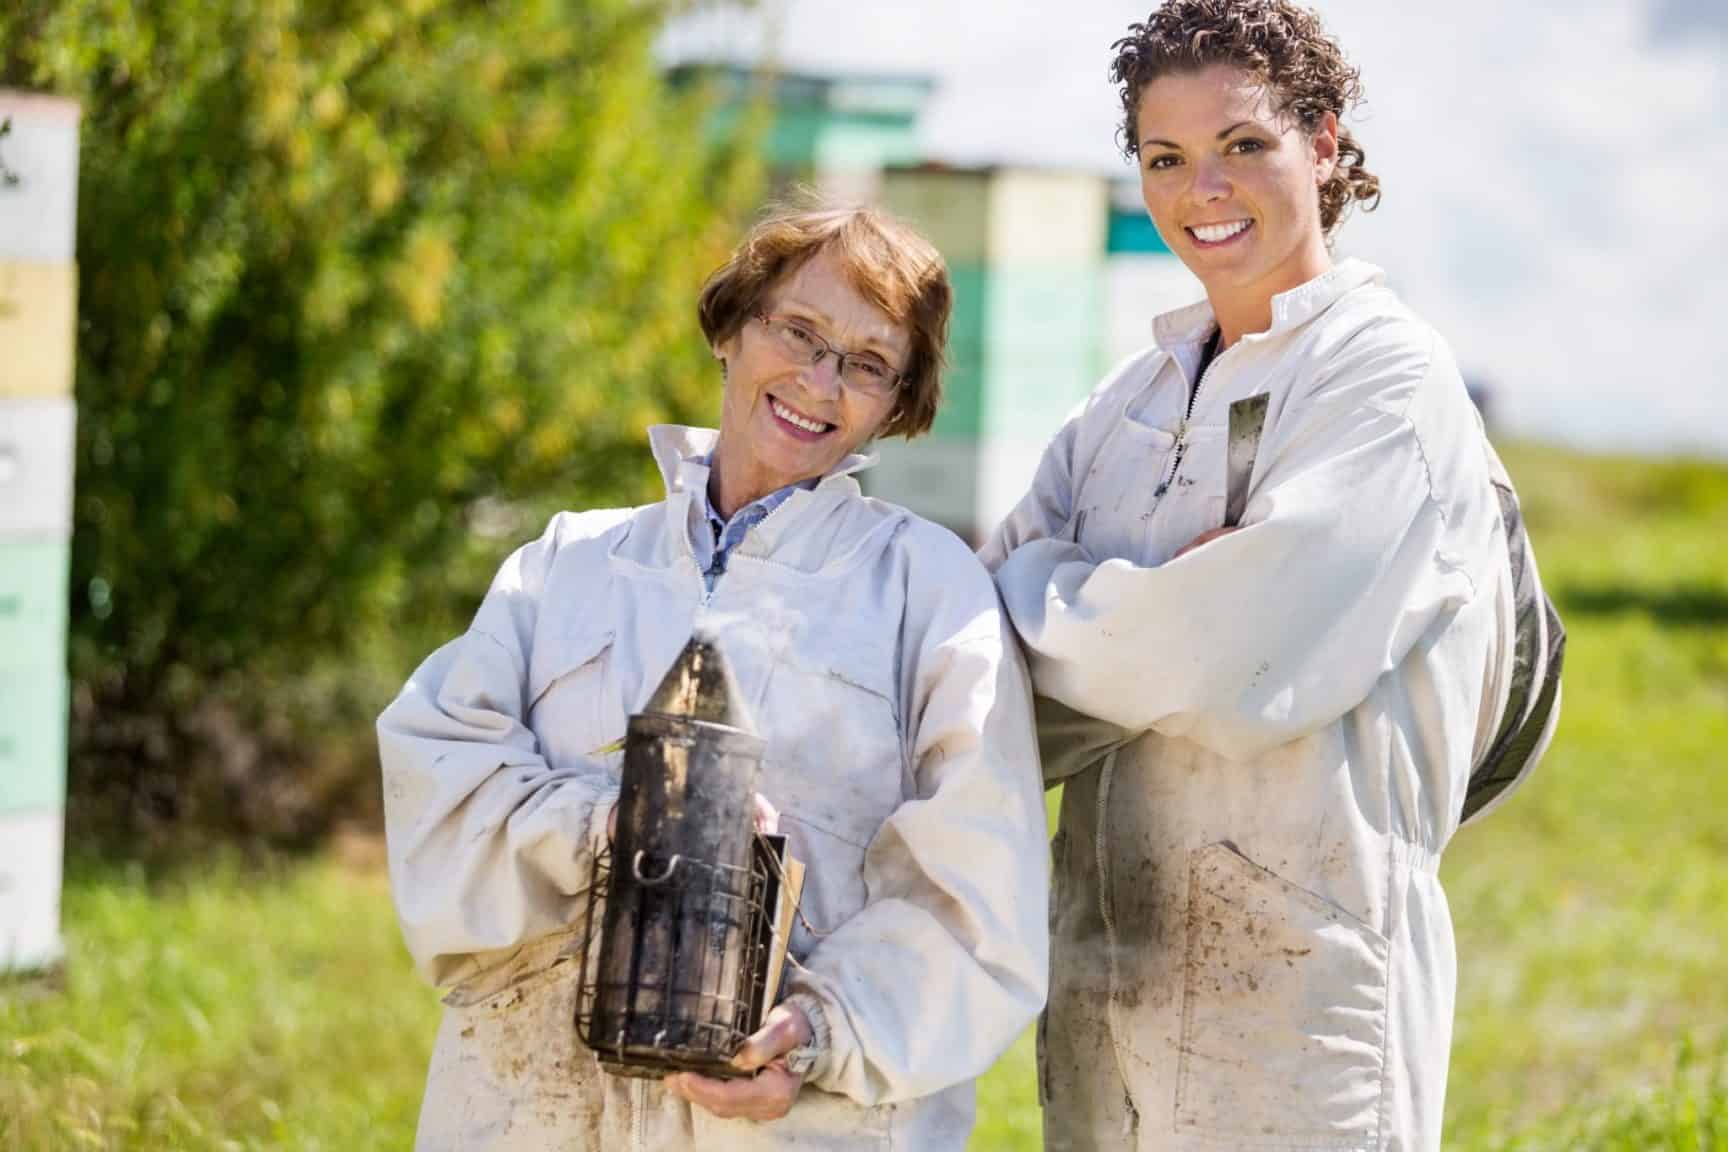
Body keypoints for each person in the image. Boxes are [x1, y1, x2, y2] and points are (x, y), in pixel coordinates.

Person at [378, 204, 1049, 1150]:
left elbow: (977, 891)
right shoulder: (567, 560)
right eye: (800, 332)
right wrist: (611, 821)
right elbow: (439, 776)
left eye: (866, 364)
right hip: (531, 1106)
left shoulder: (929, 591)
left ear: (899, 403)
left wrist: (820, 1032)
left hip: (784, 1122)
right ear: (733, 326)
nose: (820, 382)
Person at [981, 3, 1510, 1149]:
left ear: (1323, 144)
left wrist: (1062, 588)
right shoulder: (1123, 407)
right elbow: (983, 668)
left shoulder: (1384, 382)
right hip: (1108, 978)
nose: (1202, 189)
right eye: (1166, 158)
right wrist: (1134, 601)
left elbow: (1218, 660)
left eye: (1244, 146)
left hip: (1300, 997)